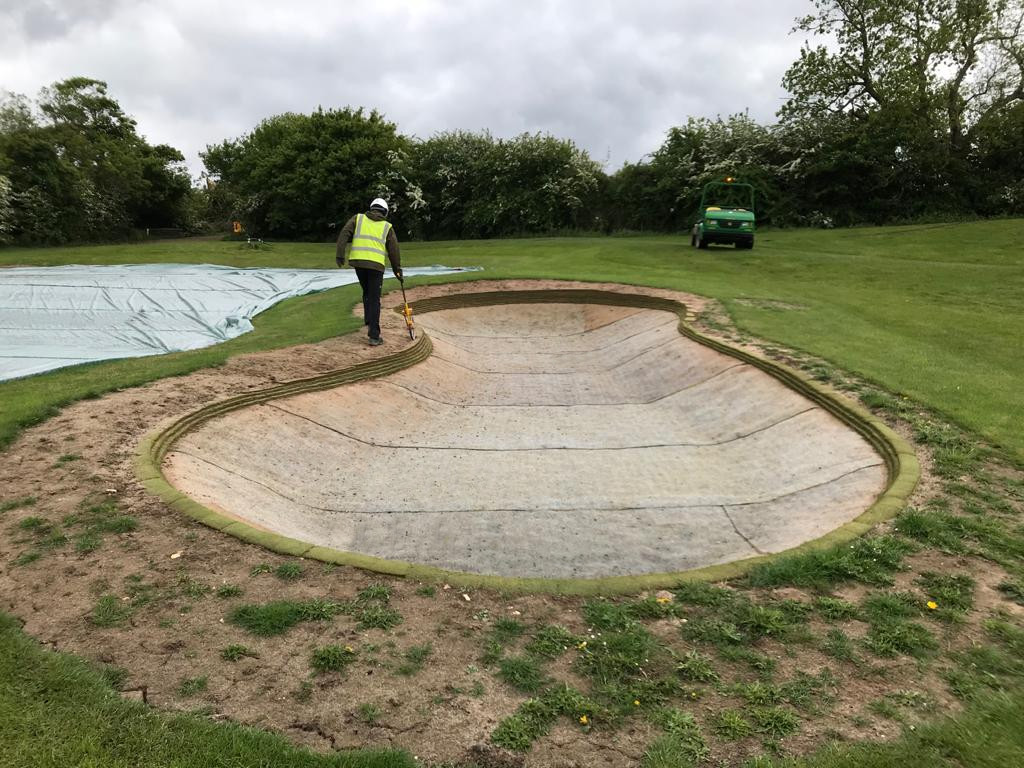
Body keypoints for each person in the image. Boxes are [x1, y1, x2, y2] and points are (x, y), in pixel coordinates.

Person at [335, 197, 403, 346]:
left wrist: (340, 254)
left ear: (372, 208)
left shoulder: (358, 218)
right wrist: (397, 270)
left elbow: (344, 233)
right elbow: (394, 251)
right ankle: (374, 335)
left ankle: (368, 320)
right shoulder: (387, 226)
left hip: (358, 263)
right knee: (374, 298)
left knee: (367, 291)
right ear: (384, 212)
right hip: (376, 266)